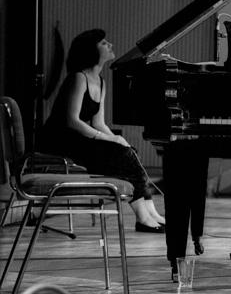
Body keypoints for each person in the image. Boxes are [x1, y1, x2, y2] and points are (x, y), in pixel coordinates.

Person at [37, 29, 165, 233]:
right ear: (91, 50)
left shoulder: (101, 81)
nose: (110, 45)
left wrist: (114, 138)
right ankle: (143, 216)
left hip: (79, 139)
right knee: (124, 155)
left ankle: (151, 213)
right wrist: (109, 139)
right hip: (59, 140)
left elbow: (98, 122)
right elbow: (72, 121)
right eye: (104, 43)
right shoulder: (78, 78)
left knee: (129, 152)